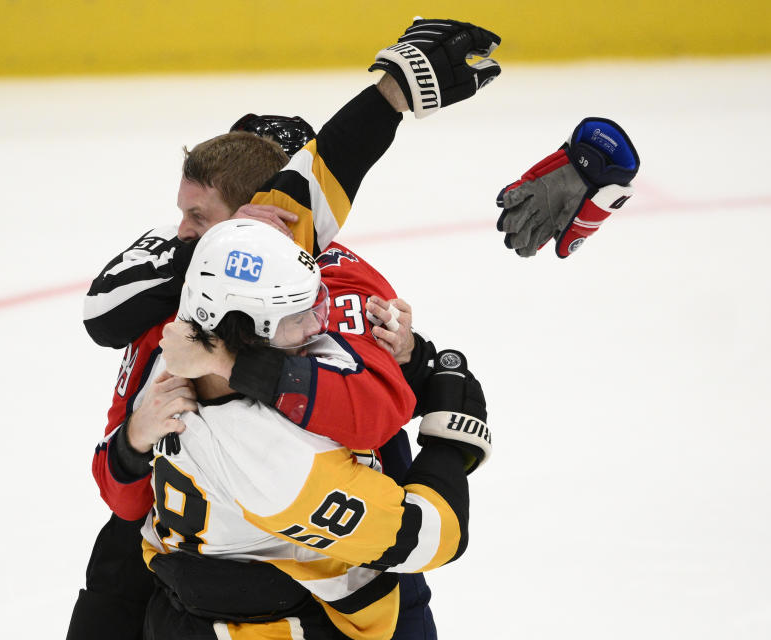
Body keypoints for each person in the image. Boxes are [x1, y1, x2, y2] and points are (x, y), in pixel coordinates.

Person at [69, 17, 503, 640]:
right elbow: (420, 520)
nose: (182, 233)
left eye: (199, 217)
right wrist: (450, 434)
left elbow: (322, 178)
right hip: (297, 553)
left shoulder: (195, 314)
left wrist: (393, 93)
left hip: (204, 555)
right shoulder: (239, 296)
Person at [100, 219, 490, 639]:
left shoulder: (179, 348)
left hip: (182, 608)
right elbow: (432, 535)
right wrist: (450, 439)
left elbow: (330, 385)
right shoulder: (273, 462)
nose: (317, 326)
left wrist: (410, 359)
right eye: (297, 315)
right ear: (246, 333)